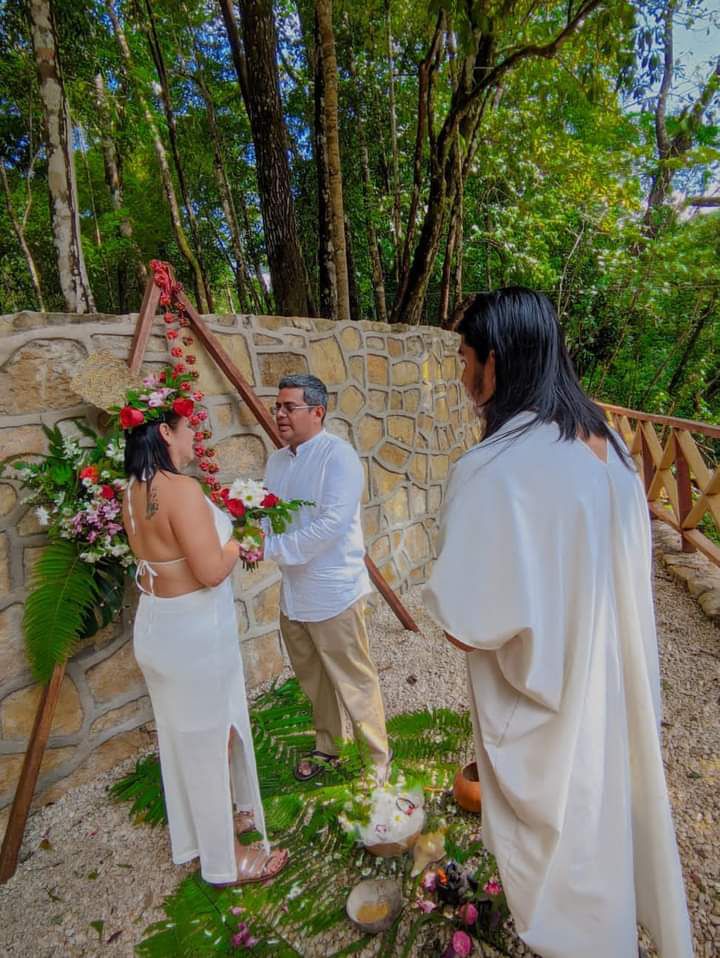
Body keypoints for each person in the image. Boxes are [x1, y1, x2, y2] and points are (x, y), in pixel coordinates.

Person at [423, 288, 693, 958]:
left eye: (464, 358)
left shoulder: (496, 469)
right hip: (615, 684)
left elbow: (466, 627)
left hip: (552, 704)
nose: (461, 377)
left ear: (496, 359)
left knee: (564, 855)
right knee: (605, 824)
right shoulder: (610, 448)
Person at [120, 376, 287, 886]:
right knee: (211, 738)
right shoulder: (180, 490)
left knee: (184, 740)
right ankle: (226, 860)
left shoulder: (131, 490)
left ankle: (205, 830)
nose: (196, 438)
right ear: (166, 433)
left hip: (156, 627)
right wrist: (242, 535)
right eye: (190, 428)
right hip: (191, 633)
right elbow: (212, 571)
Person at [262, 373, 391, 782]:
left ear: (317, 412)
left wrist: (270, 550)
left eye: (289, 407)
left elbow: (330, 525)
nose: (280, 414)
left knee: (354, 681)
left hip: (335, 592)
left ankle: (377, 763)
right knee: (314, 681)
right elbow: (267, 517)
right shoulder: (277, 461)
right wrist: (253, 537)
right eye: (278, 406)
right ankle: (327, 748)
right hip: (294, 595)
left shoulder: (339, 457)